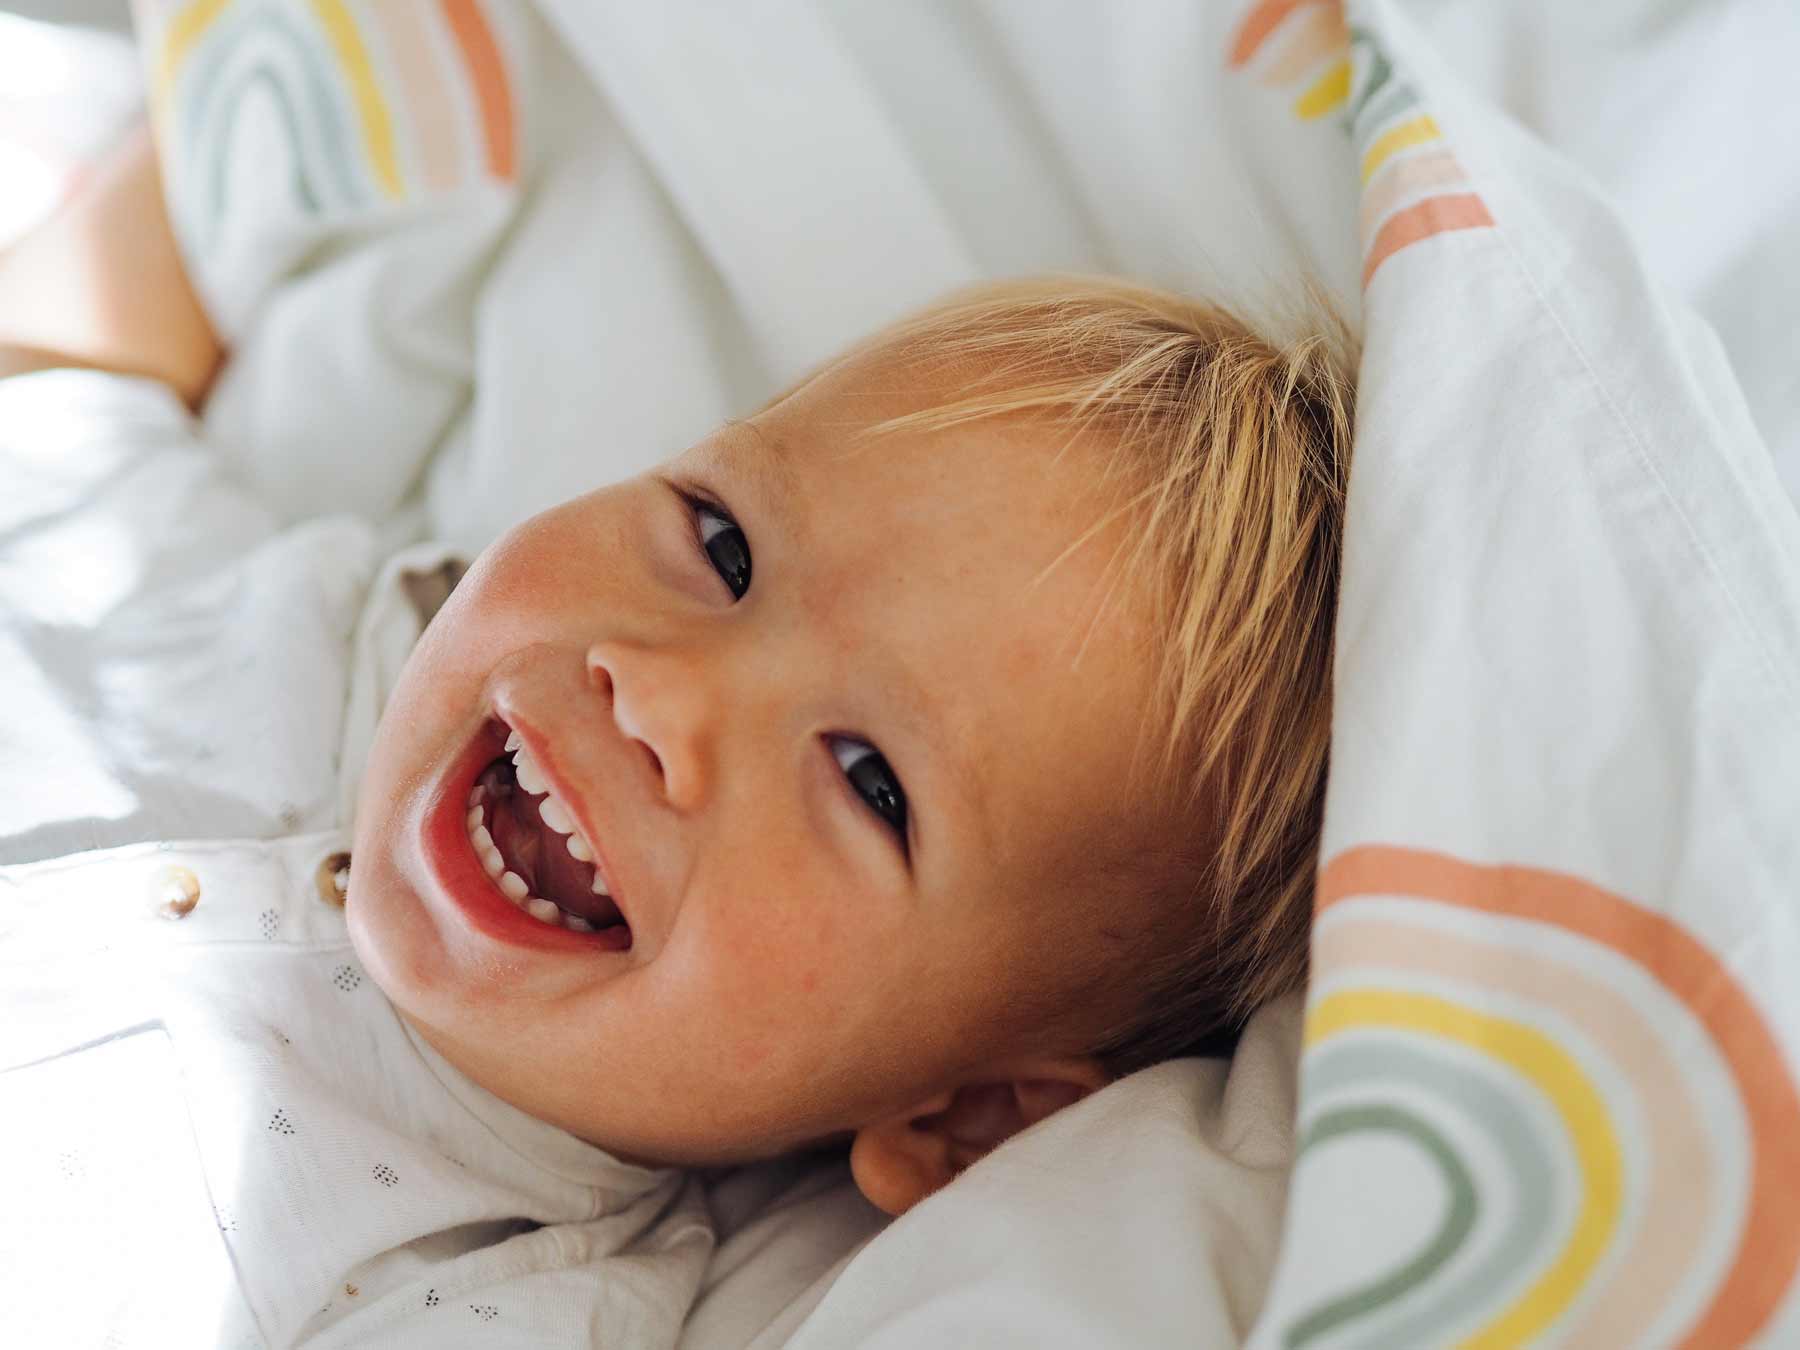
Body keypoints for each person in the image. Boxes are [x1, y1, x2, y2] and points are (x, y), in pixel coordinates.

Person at [0, 124, 1352, 1346]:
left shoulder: (487, 1293)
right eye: (723, 544)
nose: (662, 693)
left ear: (967, 1117)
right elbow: (59, 364)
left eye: (868, 777)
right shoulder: (291, 604)